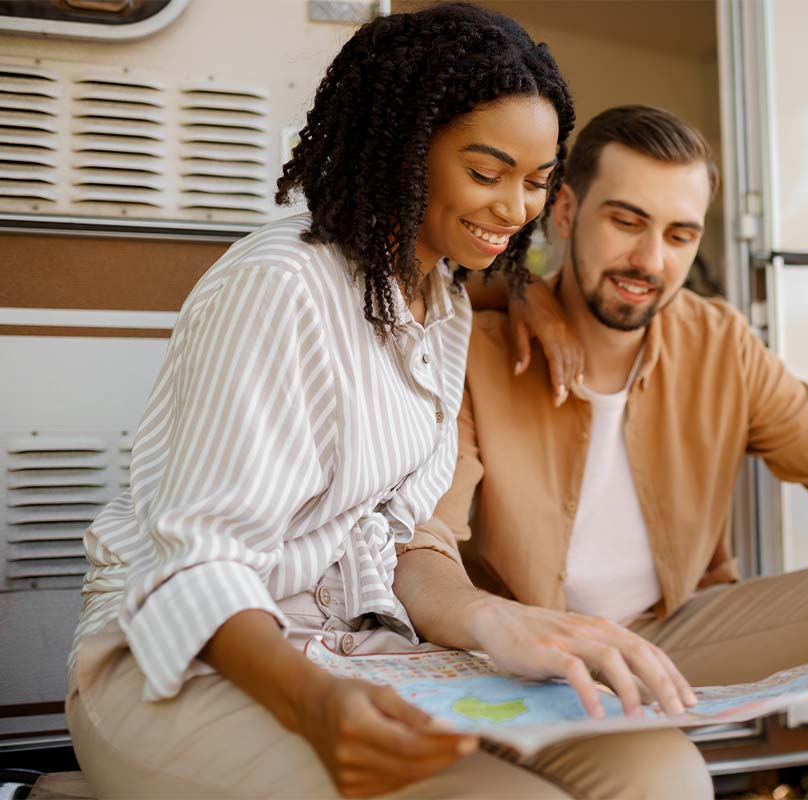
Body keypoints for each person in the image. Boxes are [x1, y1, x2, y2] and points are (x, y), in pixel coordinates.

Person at [394, 105, 808, 798]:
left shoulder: (719, 343)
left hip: (672, 635)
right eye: (626, 221)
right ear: (564, 209)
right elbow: (424, 537)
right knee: (672, 784)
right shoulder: (479, 348)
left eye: (680, 234)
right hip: (527, 656)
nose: (650, 261)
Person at [62, 5, 627, 798]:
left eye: (536, 182)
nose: (516, 210)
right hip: (190, 661)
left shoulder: (445, 302)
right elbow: (198, 565)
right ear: (405, 148)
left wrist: (494, 621)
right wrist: (316, 706)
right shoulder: (280, 287)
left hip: (343, 644)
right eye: (487, 172)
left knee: (652, 767)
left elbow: (393, 536)